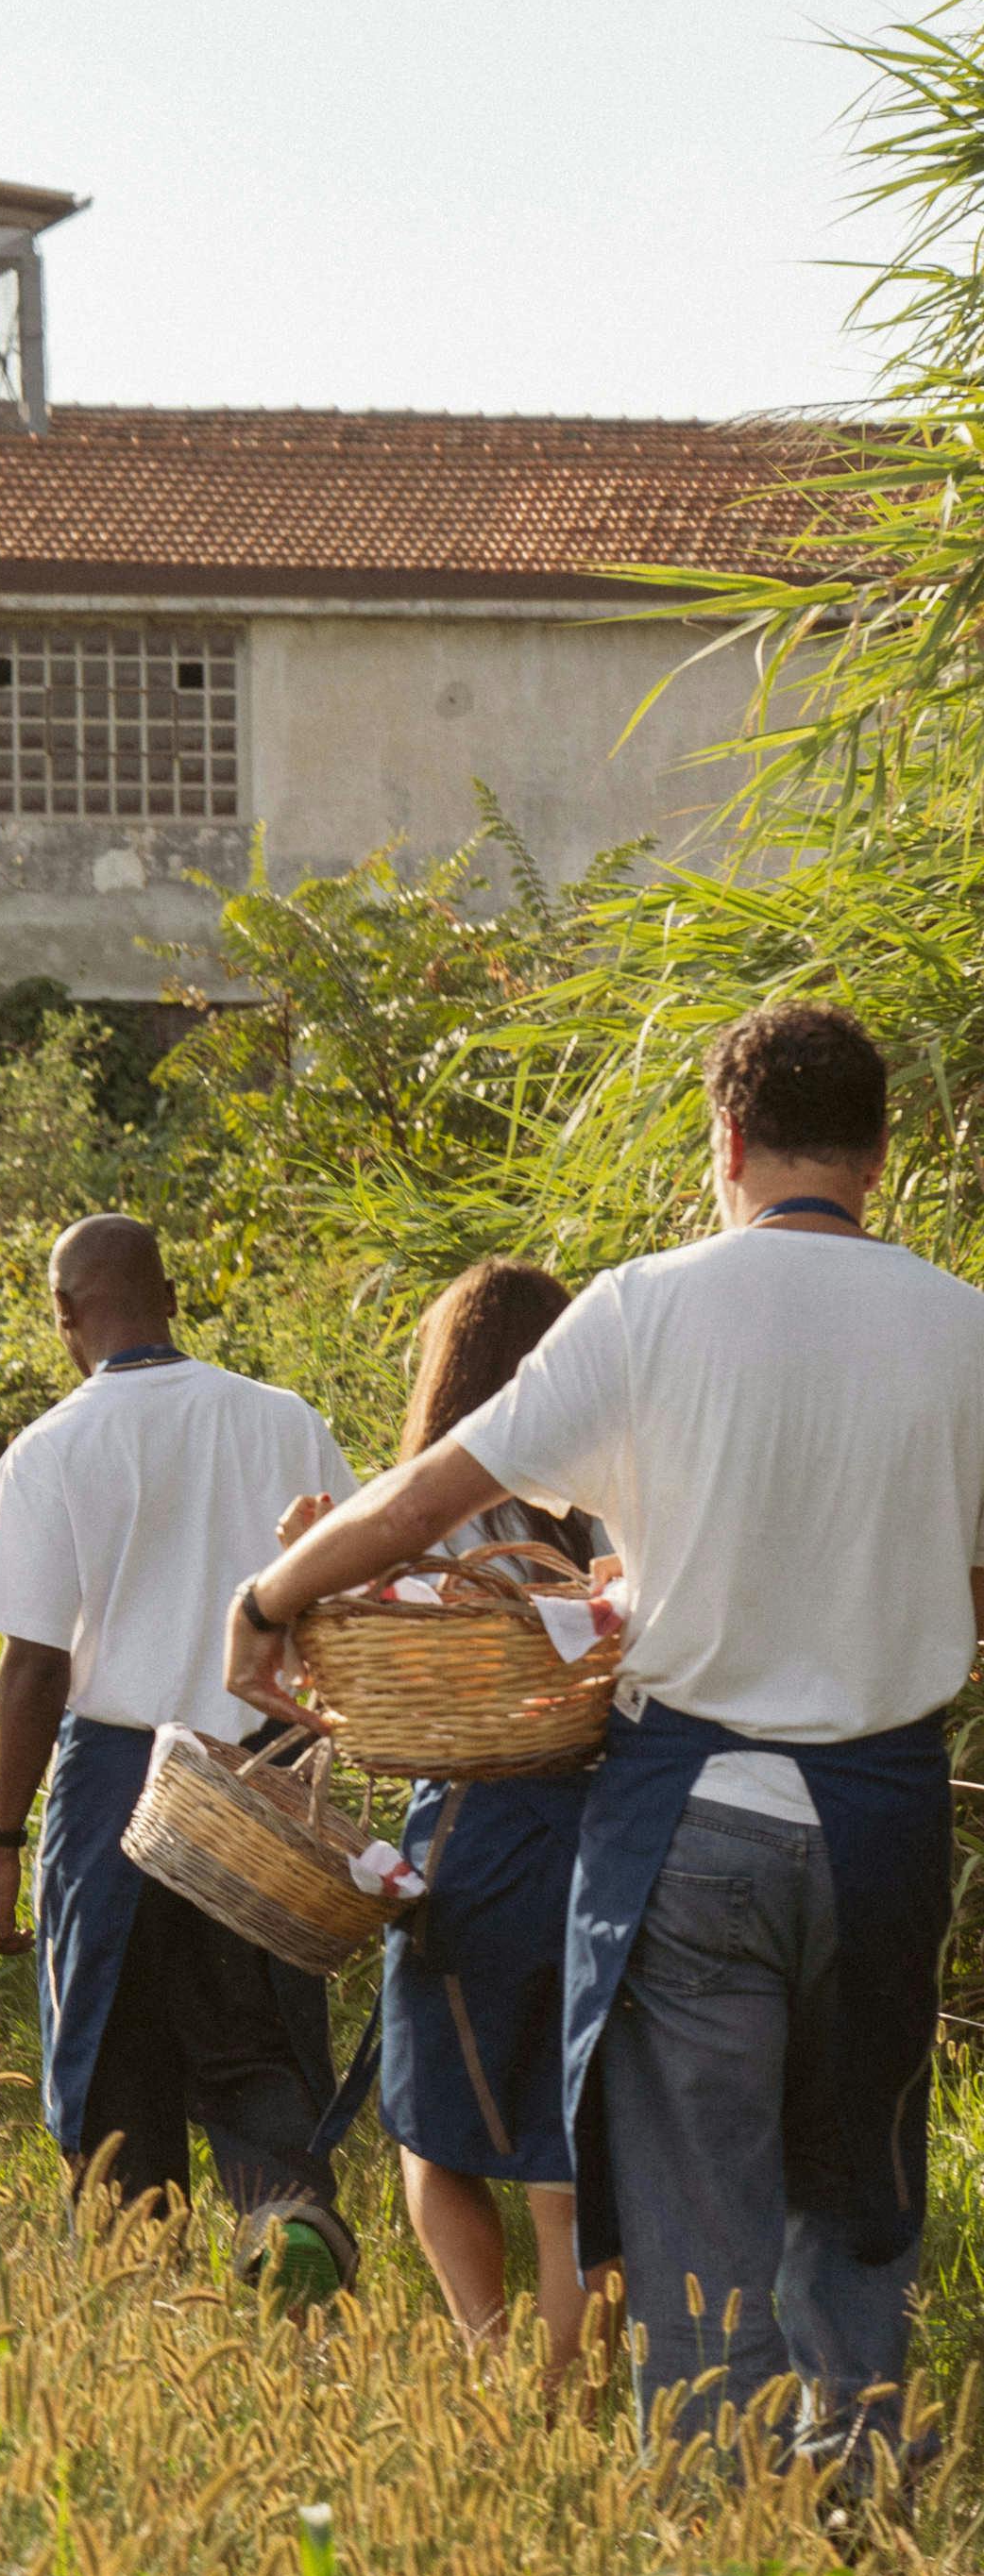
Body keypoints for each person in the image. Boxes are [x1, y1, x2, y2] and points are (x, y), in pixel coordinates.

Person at [229, 1005, 984, 2477]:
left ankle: (720, 2520)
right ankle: (858, 2480)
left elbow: (431, 1496)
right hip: (888, 1827)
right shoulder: (964, 1325)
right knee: (864, 2174)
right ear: (880, 1155)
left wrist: (275, 1594)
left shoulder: (647, 1306)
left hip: (692, 1829)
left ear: (729, 1144)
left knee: (703, 2203)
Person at [0, 1214, 360, 2299]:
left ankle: (139, 2290)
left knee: (111, 2053)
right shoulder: (286, 1423)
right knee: (261, 2040)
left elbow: (34, 1674)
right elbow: (342, 1600)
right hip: (261, 1774)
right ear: (171, 1296)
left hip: (116, 1785)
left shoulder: (52, 1449)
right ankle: (287, 2221)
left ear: (65, 1316)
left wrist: (0, 1844)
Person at [291, 1261, 612, 2378]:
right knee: (568, 2155)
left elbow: (343, 1666)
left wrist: (306, 1552)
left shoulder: (413, 1519)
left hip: (472, 1837)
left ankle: (490, 2369)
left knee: (432, 2131)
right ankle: (576, 2392)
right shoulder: (610, 1503)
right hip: (605, 1836)